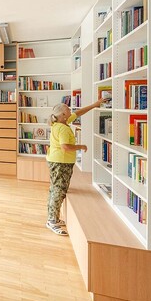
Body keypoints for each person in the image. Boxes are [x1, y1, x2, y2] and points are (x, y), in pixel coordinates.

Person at [45, 97, 109, 235]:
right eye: (68, 109)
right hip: (60, 162)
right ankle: (52, 220)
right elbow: (65, 147)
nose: (70, 110)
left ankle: (53, 218)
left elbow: (78, 113)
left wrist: (95, 104)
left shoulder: (61, 122)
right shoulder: (63, 128)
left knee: (55, 189)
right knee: (58, 190)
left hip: (58, 160)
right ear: (63, 114)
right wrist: (81, 146)